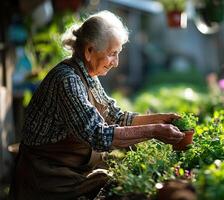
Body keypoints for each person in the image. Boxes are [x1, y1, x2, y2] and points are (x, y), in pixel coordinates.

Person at [9, 10, 184, 200]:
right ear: (89, 51)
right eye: (112, 54)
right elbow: (98, 135)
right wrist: (155, 131)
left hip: (67, 174)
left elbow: (115, 116)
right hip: (46, 181)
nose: (116, 63)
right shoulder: (67, 81)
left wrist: (162, 119)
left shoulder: (87, 74)